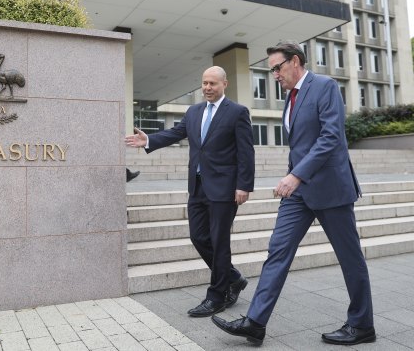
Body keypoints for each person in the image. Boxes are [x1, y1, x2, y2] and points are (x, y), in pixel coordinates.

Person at [212, 41, 375, 346]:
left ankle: (362, 325)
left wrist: (295, 175)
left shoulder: (324, 86)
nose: (274, 74)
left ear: (296, 61)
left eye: (277, 67)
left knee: (349, 257)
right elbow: (299, 145)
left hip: (330, 189)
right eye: (270, 69)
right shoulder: (291, 98)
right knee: (277, 251)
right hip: (299, 194)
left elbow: (331, 137)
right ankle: (255, 322)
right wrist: (294, 176)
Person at [125, 66, 255, 317]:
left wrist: (243, 185)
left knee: (219, 242)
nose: (207, 88)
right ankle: (234, 278)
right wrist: (149, 141)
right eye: (204, 83)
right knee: (198, 237)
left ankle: (217, 296)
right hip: (197, 187)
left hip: (224, 189)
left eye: (212, 84)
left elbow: (246, 152)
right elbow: (176, 133)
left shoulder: (237, 112)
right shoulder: (194, 111)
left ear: (224, 84)